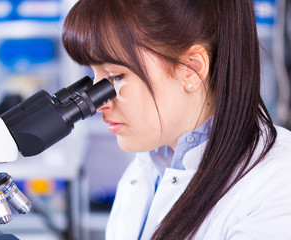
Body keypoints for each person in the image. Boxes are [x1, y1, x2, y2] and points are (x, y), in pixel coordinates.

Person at [62, 0, 291, 239]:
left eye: (116, 76)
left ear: (191, 68)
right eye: (91, 75)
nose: (99, 102)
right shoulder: (148, 167)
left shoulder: (278, 185)